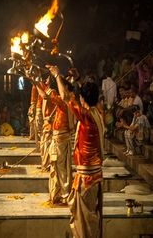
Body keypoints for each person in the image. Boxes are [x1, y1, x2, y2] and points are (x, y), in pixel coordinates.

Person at [47, 65, 104, 238]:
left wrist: (57, 75)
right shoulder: (98, 112)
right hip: (95, 175)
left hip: (87, 178)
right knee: (89, 217)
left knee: (84, 222)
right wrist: (78, 80)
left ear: (83, 99)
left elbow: (65, 97)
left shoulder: (87, 118)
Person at [35, 77, 73, 205]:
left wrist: (56, 76)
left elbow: (45, 96)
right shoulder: (63, 103)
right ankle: (58, 194)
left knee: (61, 170)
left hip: (60, 139)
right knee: (56, 168)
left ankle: (65, 195)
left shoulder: (65, 101)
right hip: (58, 138)